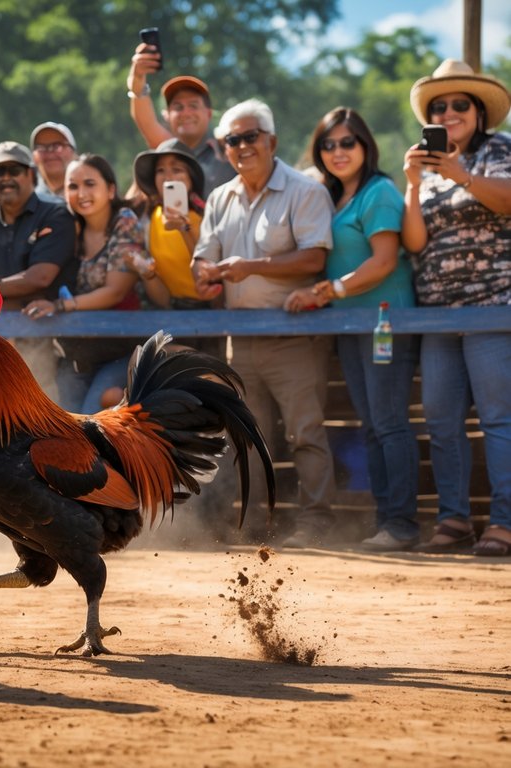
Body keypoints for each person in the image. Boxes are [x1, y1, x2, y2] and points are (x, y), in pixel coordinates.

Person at [190, 99, 335, 548]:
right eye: (232, 140)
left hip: (293, 336)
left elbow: (315, 258)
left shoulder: (305, 190)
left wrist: (249, 267)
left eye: (250, 136)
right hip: (240, 337)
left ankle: (318, 523)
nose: (241, 146)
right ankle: (253, 526)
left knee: (304, 432)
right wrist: (204, 277)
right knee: (246, 439)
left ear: (271, 140)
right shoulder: (220, 197)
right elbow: (203, 259)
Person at [279, 108, 419, 552]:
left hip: (384, 323)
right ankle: (387, 521)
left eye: (347, 142)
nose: (337, 151)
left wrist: (330, 290)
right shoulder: (333, 196)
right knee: (374, 426)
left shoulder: (379, 192)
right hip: (352, 327)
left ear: (365, 146)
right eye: (328, 144)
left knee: (389, 423)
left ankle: (402, 525)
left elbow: (384, 261)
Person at [400, 60, 511, 557]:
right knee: (441, 421)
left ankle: (504, 522)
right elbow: (415, 243)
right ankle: (454, 519)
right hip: (438, 315)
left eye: (459, 104)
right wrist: (411, 184)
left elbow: (507, 200)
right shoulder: (426, 170)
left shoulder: (499, 150)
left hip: (493, 308)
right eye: (438, 107)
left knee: (498, 419)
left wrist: (462, 176)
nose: (448, 112)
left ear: (479, 111)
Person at [24, 154, 145, 412]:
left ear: (110, 189)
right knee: (66, 425)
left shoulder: (124, 220)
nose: (81, 193)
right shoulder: (66, 225)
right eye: (73, 186)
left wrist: (60, 306)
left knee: (92, 421)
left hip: (120, 348)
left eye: (90, 184)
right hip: (75, 353)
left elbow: (115, 291)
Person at [0, 141, 72, 397]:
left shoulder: (56, 215)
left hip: (46, 338)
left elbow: (40, 277)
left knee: (41, 408)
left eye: (14, 170)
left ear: (30, 174)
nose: (6, 178)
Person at [125, 45, 236, 197]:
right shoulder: (165, 150)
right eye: (178, 107)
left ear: (209, 113)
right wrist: (137, 80)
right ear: (166, 116)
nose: (186, 113)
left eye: (193, 105)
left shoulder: (228, 149)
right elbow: (146, 122)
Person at [130, 138, 208, 311]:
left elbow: (208, 271)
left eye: (177, 169)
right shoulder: (150, 218)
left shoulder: (207, 216)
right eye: (160, 170)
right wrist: (145, 271)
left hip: (208, 311)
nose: (167, 177)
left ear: (191, 178)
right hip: (169, 313)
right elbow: (162, 299)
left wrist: (185, 229)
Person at [30, 121, 76, 203]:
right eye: (41, 147)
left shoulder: (84, 199)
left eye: (57, 146)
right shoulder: (27, 201)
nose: (50, 153)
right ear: (34, 157)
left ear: (73, 153)